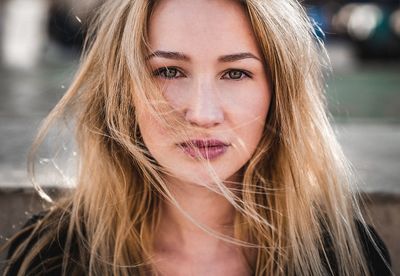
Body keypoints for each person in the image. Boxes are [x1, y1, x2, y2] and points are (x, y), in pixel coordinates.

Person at [1, 0, 392, 275]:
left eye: (236, 73)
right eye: (169, 71)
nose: (203, 114)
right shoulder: (48, 257)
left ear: (278, 94)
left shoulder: (347, 258)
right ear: (124, 91)